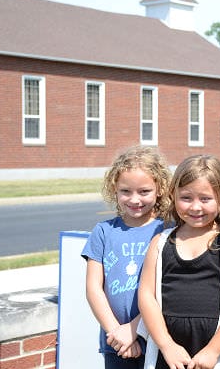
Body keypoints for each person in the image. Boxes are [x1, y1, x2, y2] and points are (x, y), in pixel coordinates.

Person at [137, 154, 220, 369]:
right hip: (169, 356)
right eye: (186, 198)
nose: (195, 207)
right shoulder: (160, 243)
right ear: (173, 195)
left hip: (218, 355)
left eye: (205, 198)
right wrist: (166, 345)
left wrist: (213, 351)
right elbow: (146, 296)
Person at [82, 145, 172, 369]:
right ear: (115, 189)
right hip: (116, 343)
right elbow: (94, 289)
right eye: (126, 191)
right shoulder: (103, 232)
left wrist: (134, 329)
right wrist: (116, 332)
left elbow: (169, 290)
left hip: (158, 338)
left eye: (144, 191)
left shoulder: (169, 231)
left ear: (159, 188)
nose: (135, 199)